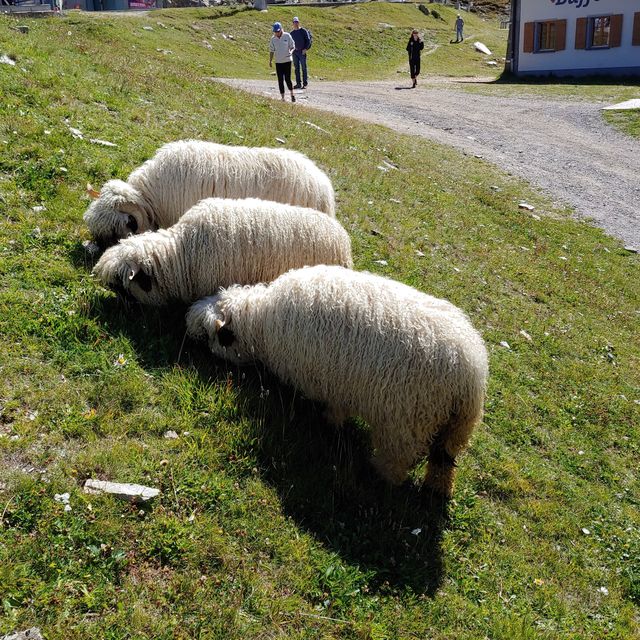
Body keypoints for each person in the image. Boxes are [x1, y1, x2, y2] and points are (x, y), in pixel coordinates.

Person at [269, 22, 296, 103]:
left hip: (287, 61)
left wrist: (291, 51)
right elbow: (271, 50)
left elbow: (293, 46)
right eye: (275, 32)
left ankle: (292, 94)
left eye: (278, 31)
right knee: (280, 80)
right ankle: (283, 98)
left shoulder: (287, 36)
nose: (277, 33)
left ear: (281, 29)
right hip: (278, 62)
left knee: (287, 79)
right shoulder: (273, 39)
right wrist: (270, 60)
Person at [290, 16, 311, 90]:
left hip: (302, 52)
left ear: (299, 22)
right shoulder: (291, 33)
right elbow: (290, 43)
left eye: (297, 22)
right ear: (293, 23)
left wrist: (305, 49)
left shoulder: (303, 31)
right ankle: (298, 83)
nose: (296, 23)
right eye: (294, 22)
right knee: (296, 68)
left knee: (304, 68)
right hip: (295, 52)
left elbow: (308, 41)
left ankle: (305, 84)